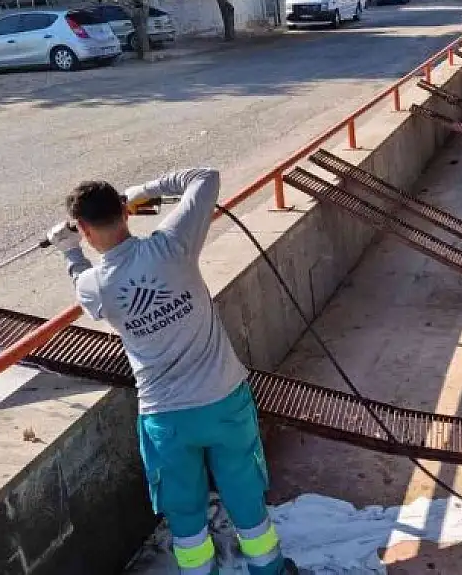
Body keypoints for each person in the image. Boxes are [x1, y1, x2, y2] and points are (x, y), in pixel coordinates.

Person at [46, 168, 297, 575]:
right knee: (246, 495)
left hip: (166, 417)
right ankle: (269, 570)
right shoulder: (172, 245)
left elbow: (81, 281)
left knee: (185, 515)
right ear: (125, 214)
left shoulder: (96, 285)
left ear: (86, 230)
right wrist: (144, 189)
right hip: (224, 401)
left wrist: (70, 250)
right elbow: (206, 178)